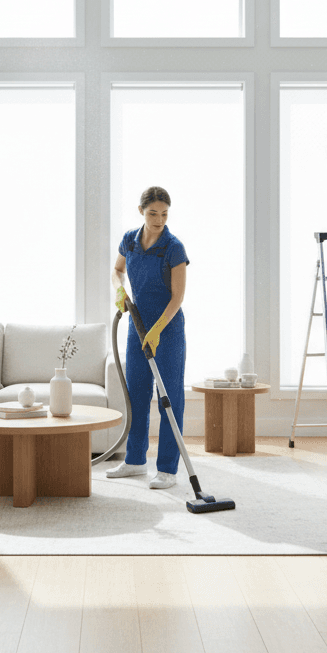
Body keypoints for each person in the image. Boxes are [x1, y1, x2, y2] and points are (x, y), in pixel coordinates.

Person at [108, 186, 188, 489]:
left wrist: (157, 331)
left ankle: (167, 469)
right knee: (137, 393)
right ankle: (135, 461)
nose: (159, 219)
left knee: (168, 398)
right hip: (137, 325)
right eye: (153, 213)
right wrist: (119, 289)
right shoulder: (130, 239)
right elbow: (117, 269)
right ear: (141, 211)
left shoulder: (173, 247)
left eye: (164, 213)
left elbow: (178, 297)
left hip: (167, 329)